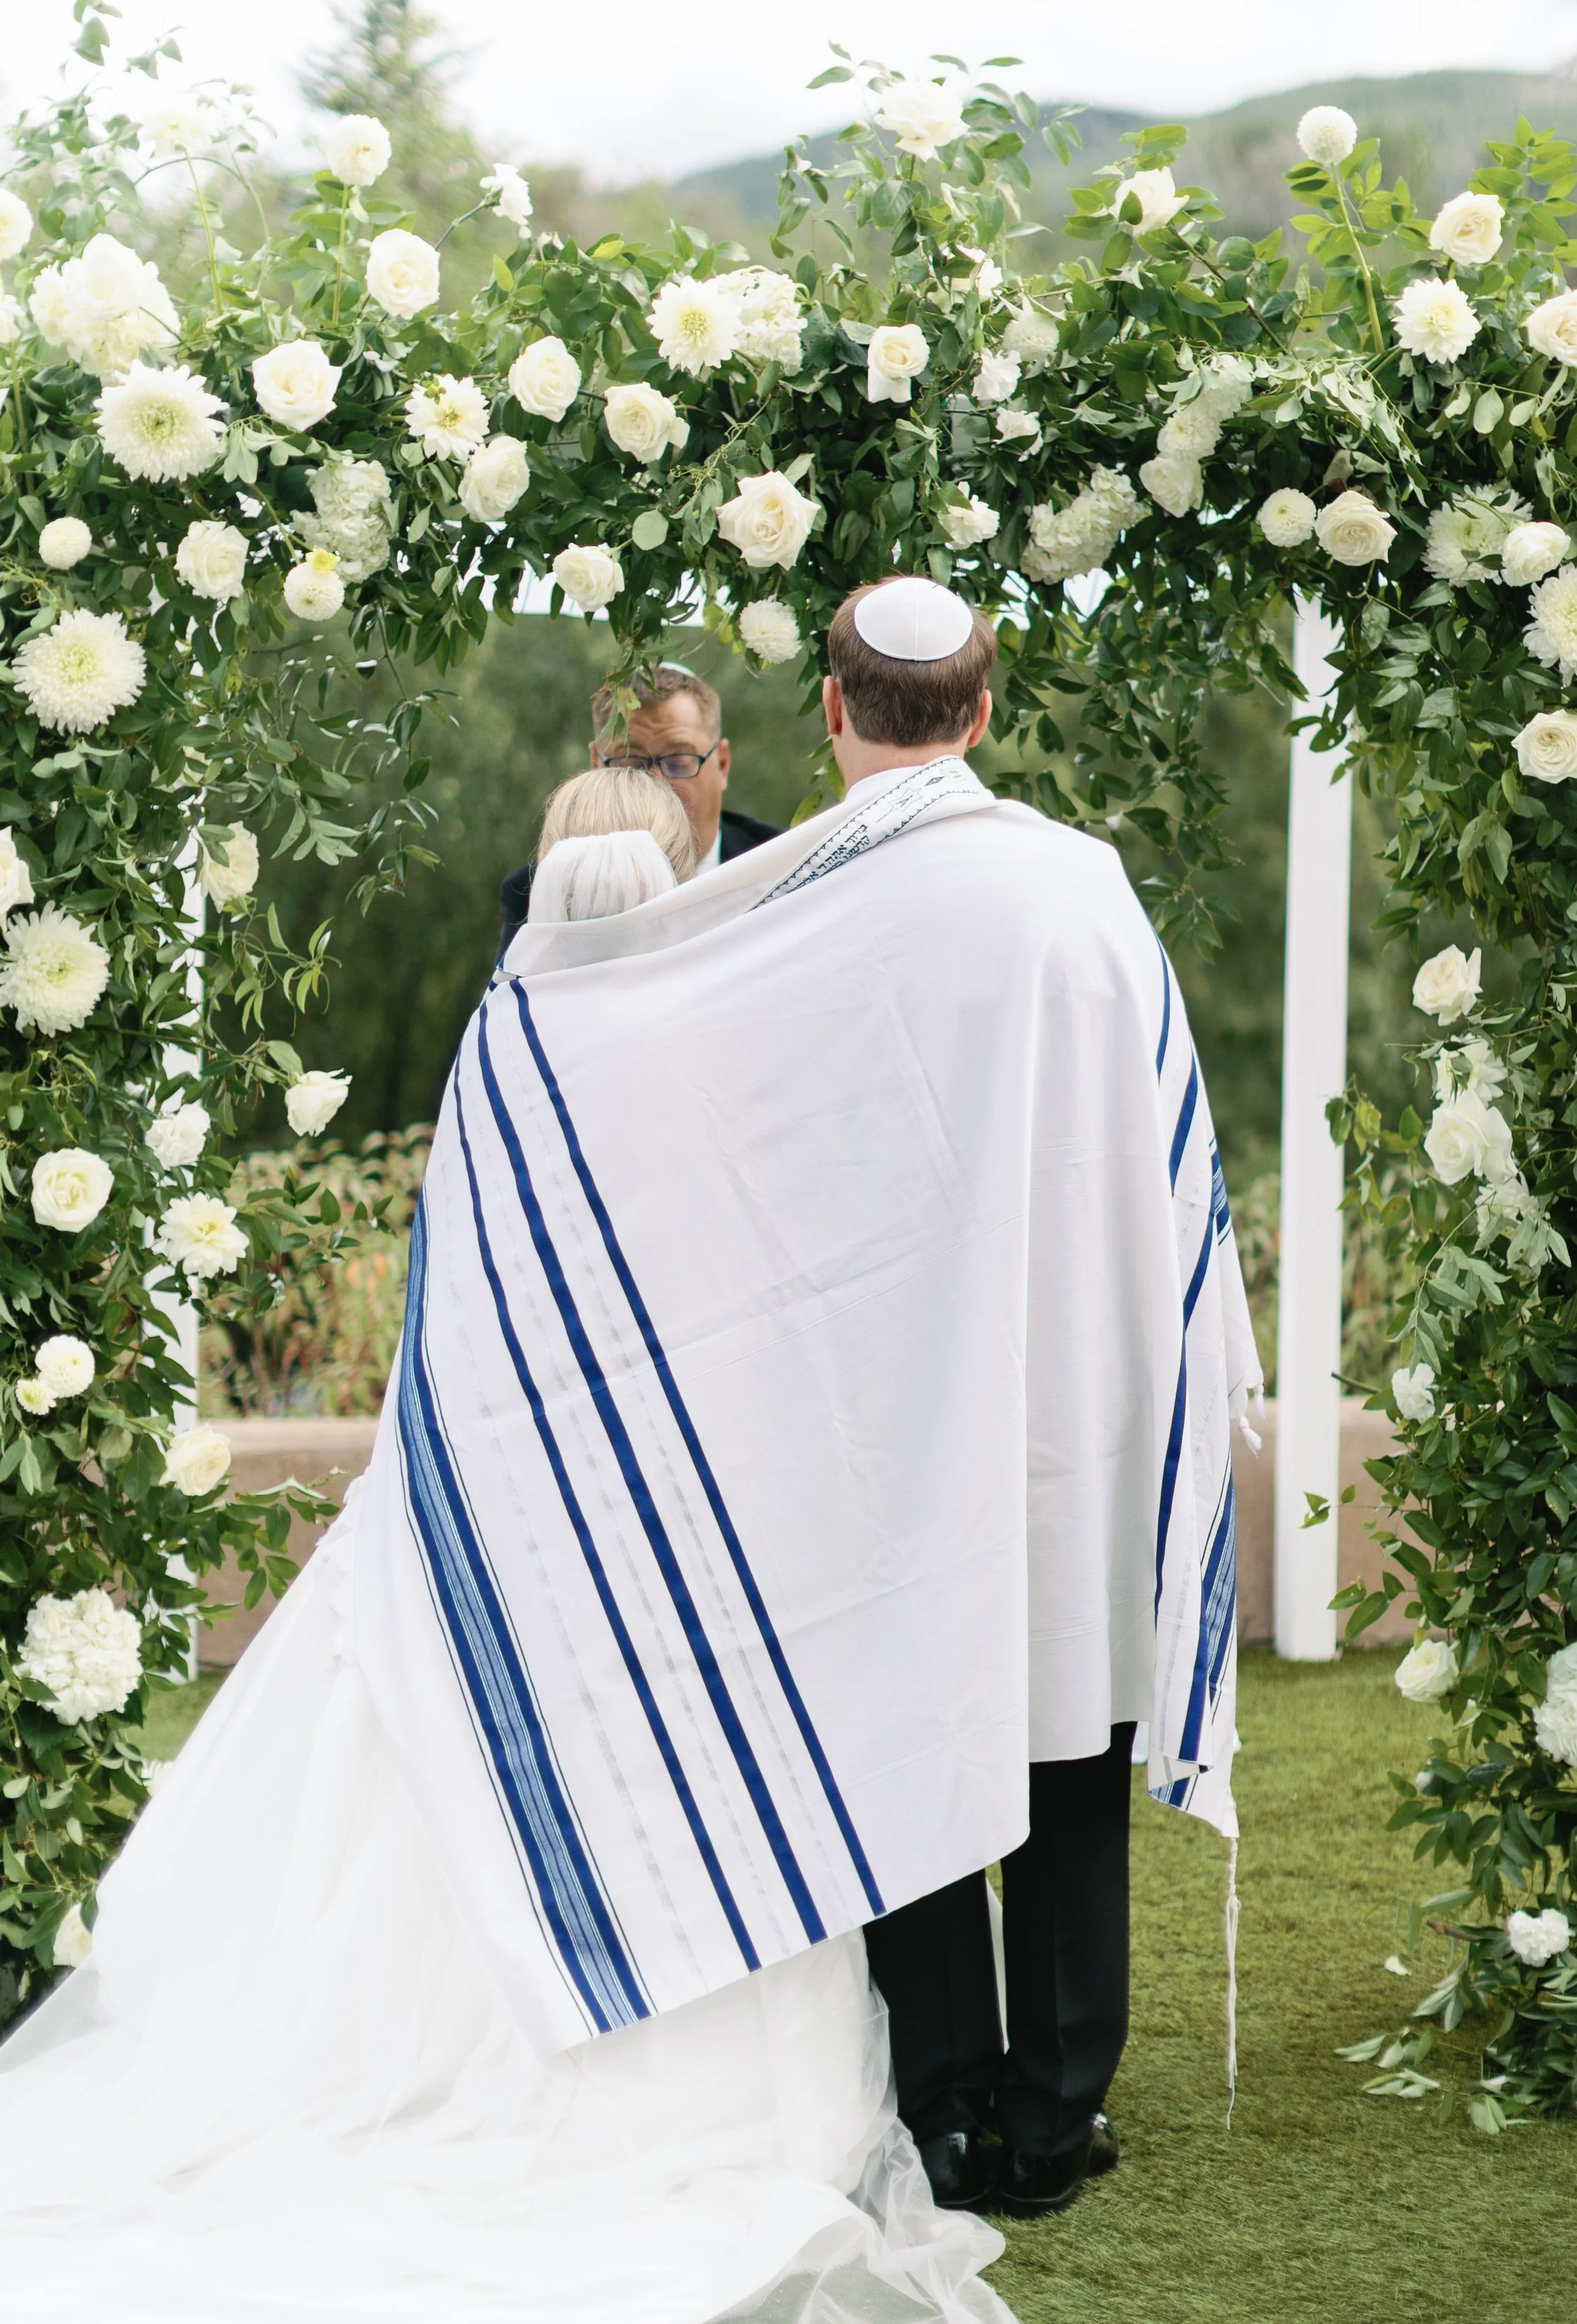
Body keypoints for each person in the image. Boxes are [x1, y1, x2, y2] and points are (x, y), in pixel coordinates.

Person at [0, 577, 1254, 2321]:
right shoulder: (1079, 889)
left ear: (832, 709)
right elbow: (1163, 1159)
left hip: (880, 1412)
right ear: (979, 708)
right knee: (1058, 1734)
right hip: (1069, 1384)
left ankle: (945, 2104)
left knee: (881, 1730)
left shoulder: (787, 902)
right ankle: (1054, 2115)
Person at [498, 664, 777, 948]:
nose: (656, 783)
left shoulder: (784, 864)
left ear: (723, 763)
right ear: (596, 765)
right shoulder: (547, 888)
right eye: (630, 763)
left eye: (678, 761)